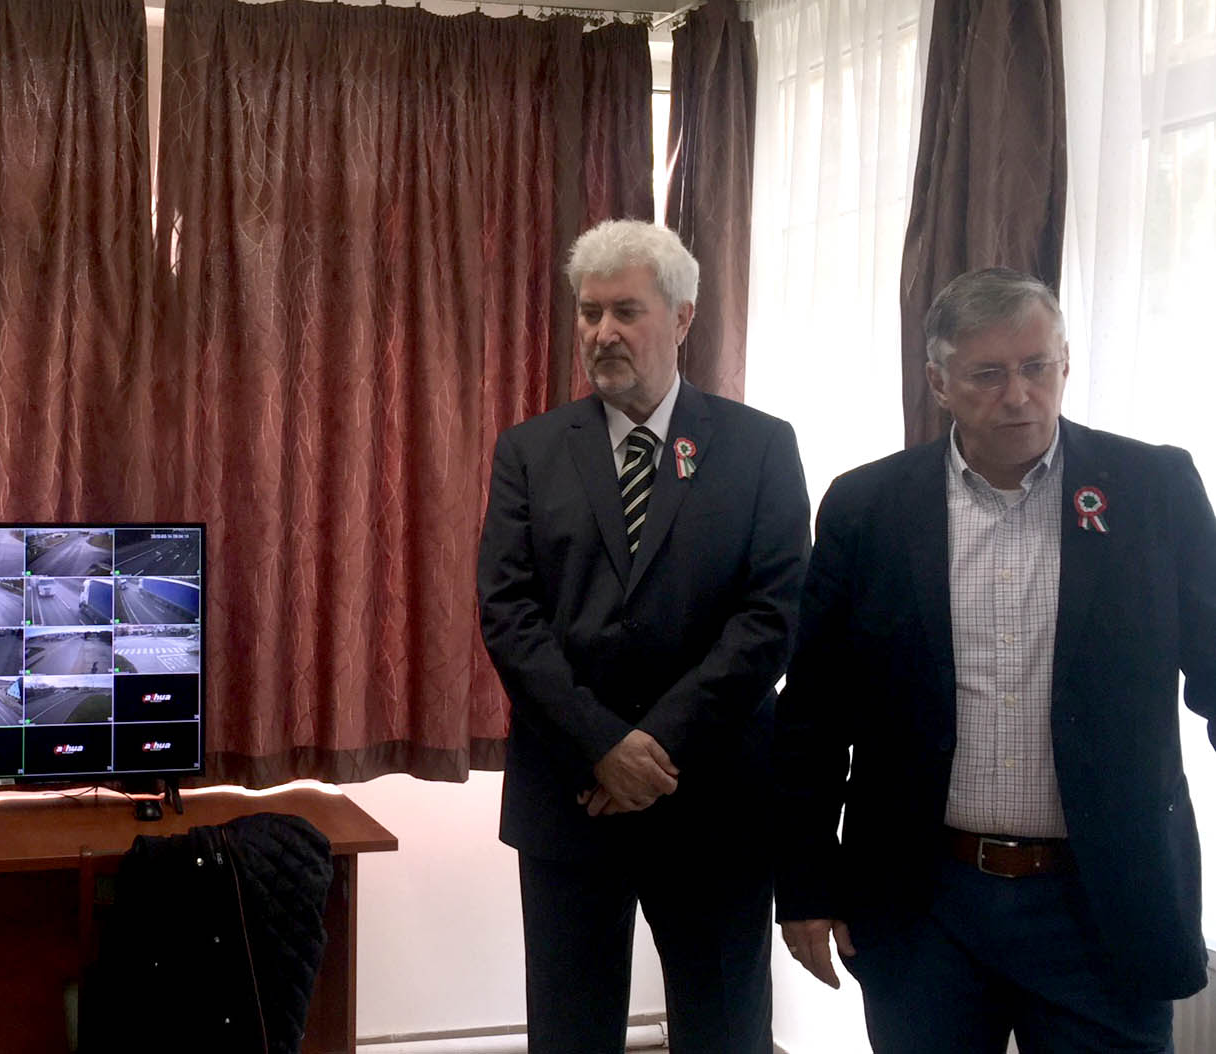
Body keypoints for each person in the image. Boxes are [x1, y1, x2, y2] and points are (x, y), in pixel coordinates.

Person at [774, 267, 1216, 1053]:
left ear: (1065, 363)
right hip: (925, 905)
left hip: (1102, 903)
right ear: (939, 382)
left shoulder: (1153, 489)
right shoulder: (868, 508)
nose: (1019, 396)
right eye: (988, 374)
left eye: (1037, 367)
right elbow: (813, 712)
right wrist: (805, 885)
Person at [477, 219, 811, 1053]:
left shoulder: (759, 448)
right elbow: (509, 614)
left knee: (726, 1032)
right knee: (570, 1035)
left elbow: (772, 616)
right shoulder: (531, 451)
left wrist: (653, 748)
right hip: (571, 798)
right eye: (589, 312)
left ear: (683, 317)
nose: (602, 332)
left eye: (625, 311)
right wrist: (601, 745)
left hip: (713, 800)